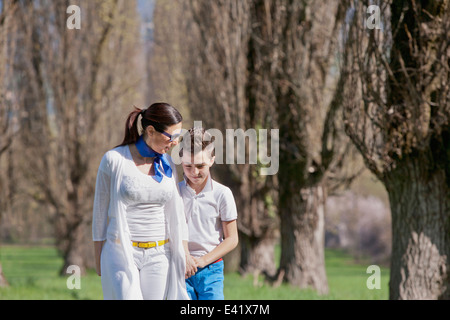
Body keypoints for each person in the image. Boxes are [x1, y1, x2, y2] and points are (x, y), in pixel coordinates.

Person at [92, 102, 194, 300]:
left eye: (178, 137)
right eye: (171, 137)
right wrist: (98, 260)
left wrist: (184, 252)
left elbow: (177, 213)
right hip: (121, 252)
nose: (175, 142)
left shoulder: (168, 164)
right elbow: (99, 213)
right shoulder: (114, 160)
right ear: (150, 130)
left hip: (159, 254)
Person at [178, 127, 239, 300]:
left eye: (200, 165)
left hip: (211, 269)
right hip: (181, 268)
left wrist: (204, 260)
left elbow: (232, 239)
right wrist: (186, 258)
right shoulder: (174, 192)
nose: (194, 172)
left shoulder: (222, 194)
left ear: (212, 160)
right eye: (188, 166)